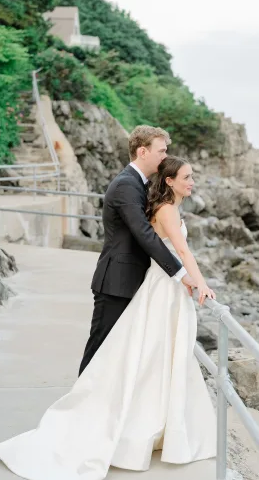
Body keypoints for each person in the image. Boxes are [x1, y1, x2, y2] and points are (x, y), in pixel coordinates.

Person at [0, 153, 217, 480]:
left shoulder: (162, 205)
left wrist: (190, 281)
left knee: (153, 357)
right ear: (170, 181)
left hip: (162, 286)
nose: (192, 182)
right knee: (150, 355)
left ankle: (152, 424)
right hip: (163, 289)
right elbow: (182, 252)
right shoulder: (165, 209)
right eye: (187, 177)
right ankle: (123, 423)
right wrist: (198, 282)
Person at [78, 125, 213, 375]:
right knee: (100, 349)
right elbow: (144, 234)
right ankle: (79, 405)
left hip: (133, 281)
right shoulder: (126, 185)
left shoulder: (140, 184)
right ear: (142, 151)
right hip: (116, 283)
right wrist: (181, 274)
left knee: (119, 351)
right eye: (161, 151)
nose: (165, 156)